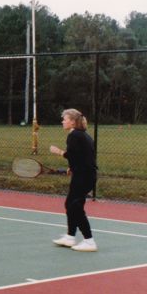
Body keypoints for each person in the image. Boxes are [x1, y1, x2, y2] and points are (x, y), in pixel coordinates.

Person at [49, 108, 97, 252]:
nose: (62, 121)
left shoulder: (74, 135)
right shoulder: (81, 135)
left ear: (73, 122)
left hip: (84, 177)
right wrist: (72, 167)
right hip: (84, 175)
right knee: (70, 204)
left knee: (75, 207)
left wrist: (58, 151)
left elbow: (72, 155)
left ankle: (89, 241)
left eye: (65, 119)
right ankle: (70, 237)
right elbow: (82, 156)